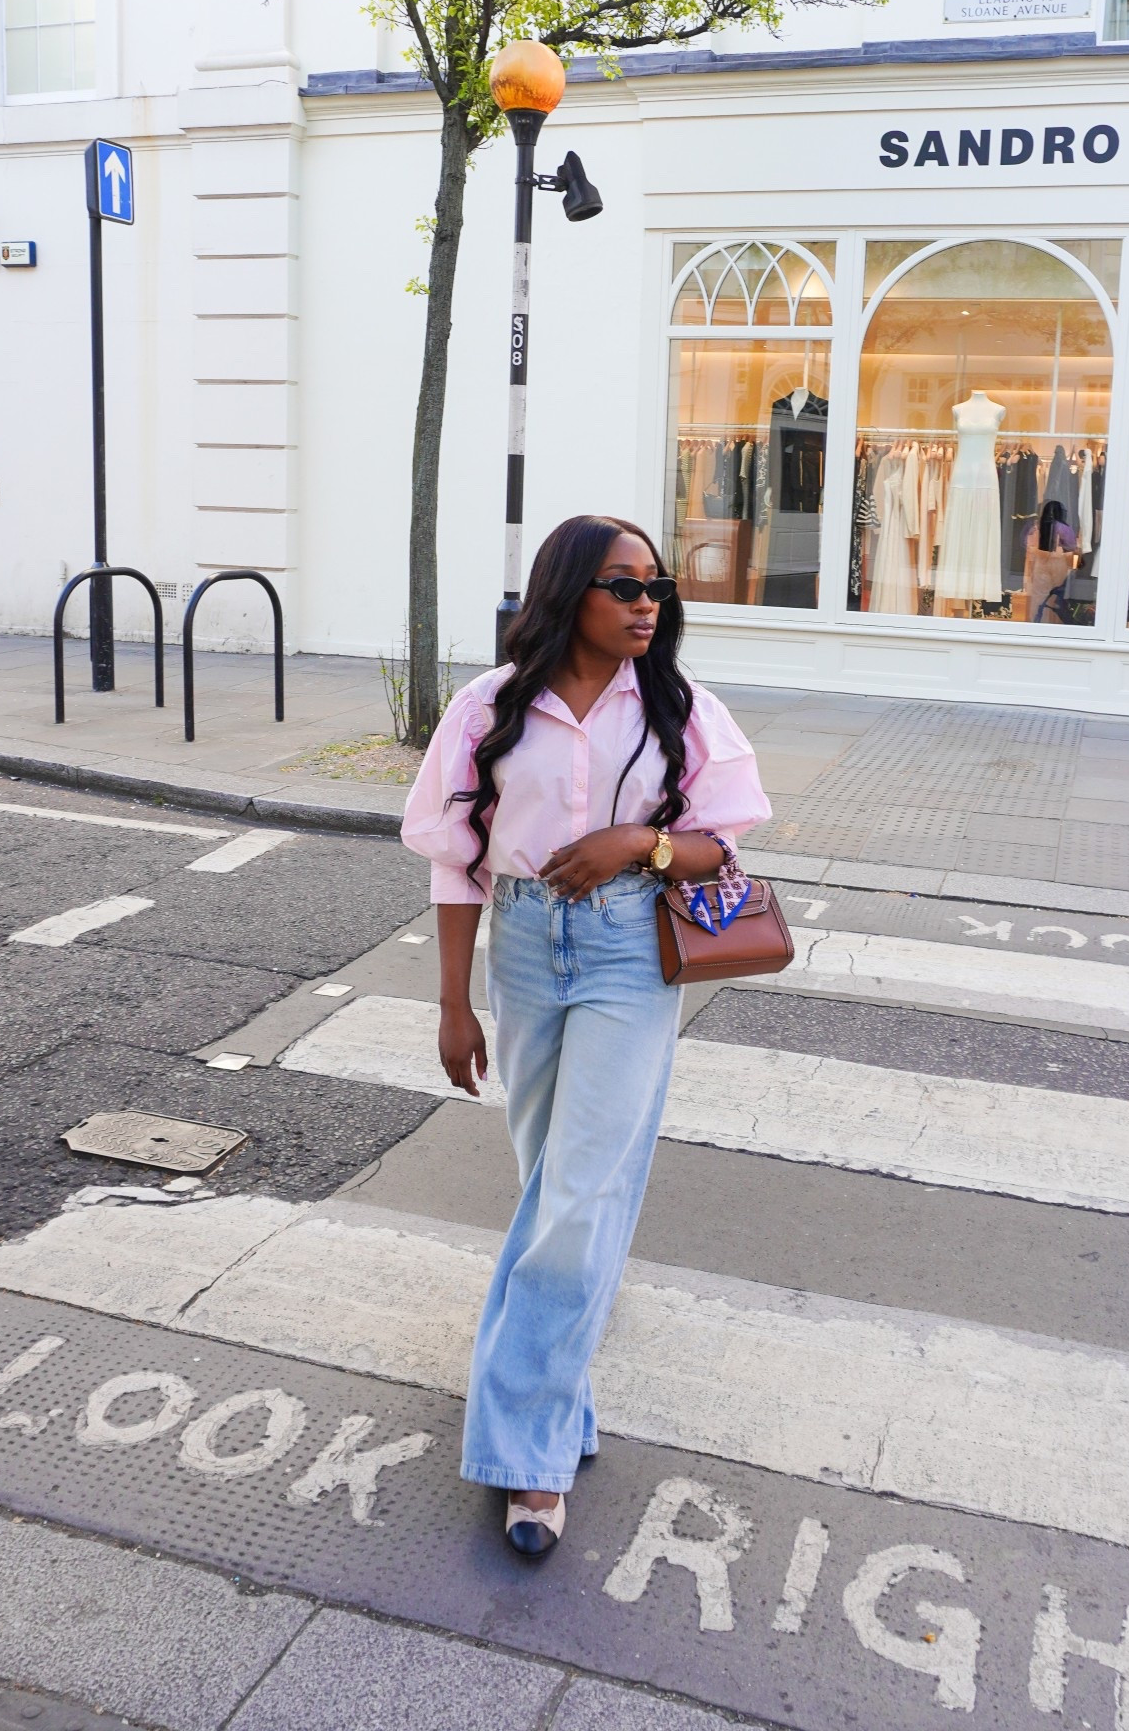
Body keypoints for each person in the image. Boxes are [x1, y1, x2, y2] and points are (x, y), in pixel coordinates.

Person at [400, 514, 770, 1556]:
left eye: (656, 587)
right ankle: (563, 1376)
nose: (648, 603)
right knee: (549, 1180)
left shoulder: (676, 707)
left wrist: (634, 841)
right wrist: (449, 1000)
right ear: (570, 592)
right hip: (520, 944)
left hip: (622, 950)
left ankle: (524, 1452)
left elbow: (720, 845)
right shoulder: (487, 706)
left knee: (578, 1192)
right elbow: (452, 863)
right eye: (624, 584)